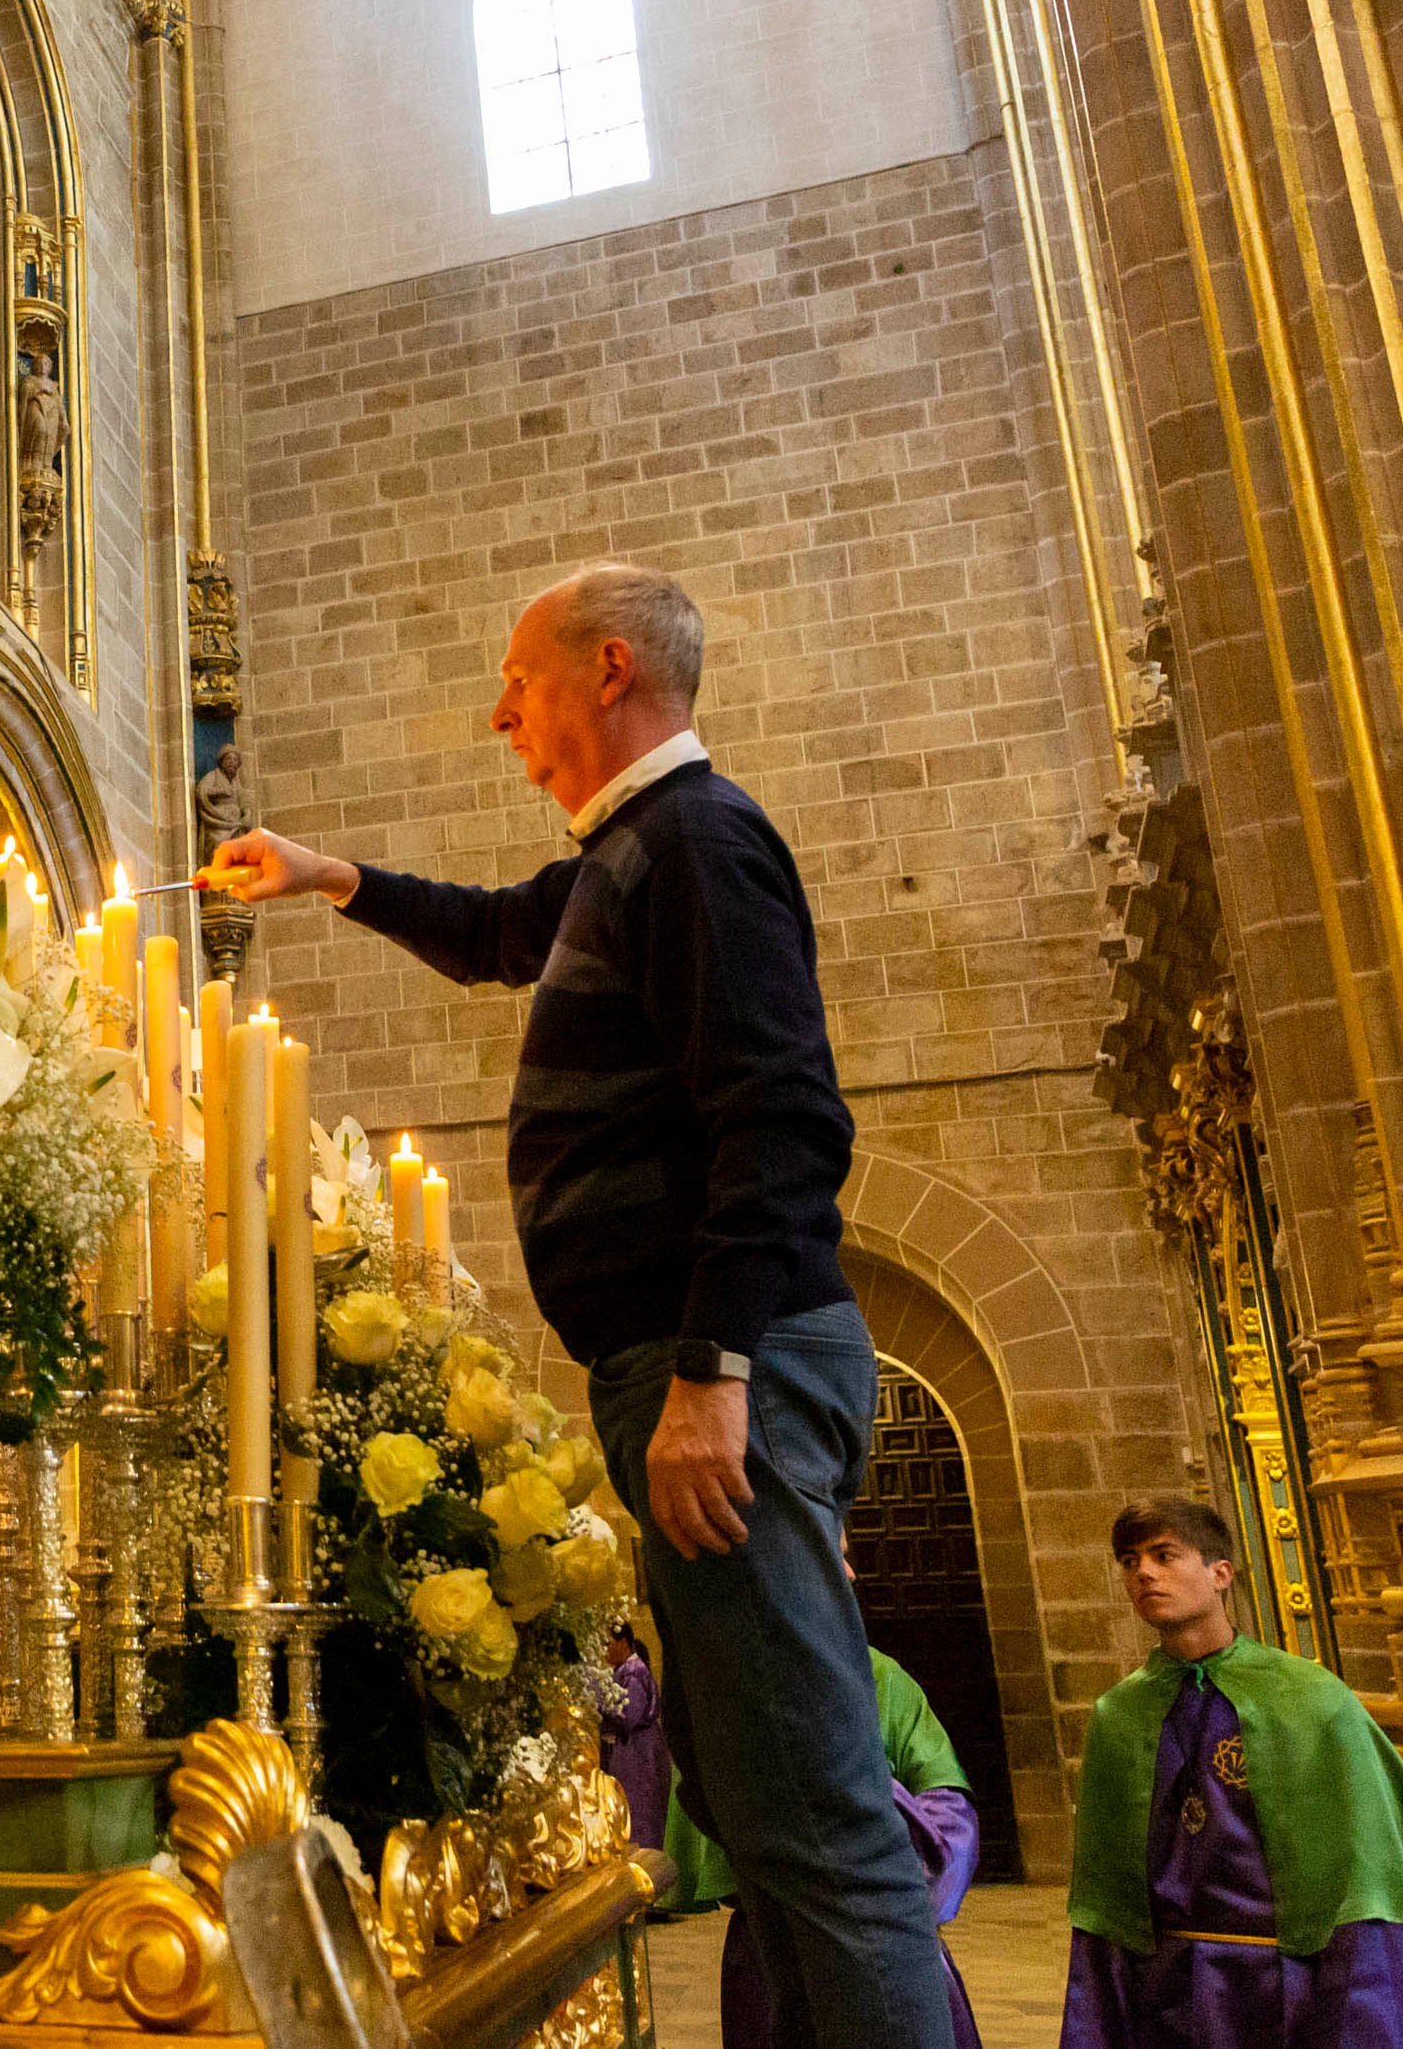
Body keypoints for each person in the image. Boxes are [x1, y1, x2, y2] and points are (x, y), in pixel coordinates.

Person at [211, 561, 952, 2045]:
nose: (501, 716)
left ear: (610, 671)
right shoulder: (628, 857)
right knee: (765, 1820)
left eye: (519, 682)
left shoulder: (697, 841)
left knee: (818, 1824)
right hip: (687, 1364)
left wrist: (710, 1368)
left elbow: (784, 1117)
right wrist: (325, 875)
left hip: (721, 1367)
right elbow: (499, 929)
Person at [1064, 1496, 1403, 2048]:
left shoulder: (1311, 1699)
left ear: (1220, 1573)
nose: (1144, 1573)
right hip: (1166, 1989)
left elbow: (1361, 1879)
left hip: (1290, 1978)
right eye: (1130, 1561)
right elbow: (1107, 1899)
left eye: (1164, 1555)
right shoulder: (1118, 1715)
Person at [666, 1644, 984, 2047]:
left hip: (891, 1944)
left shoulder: (881, 1675)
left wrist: (895, 1876)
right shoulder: (721, 1693)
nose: (850, 1576)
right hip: (773, 1954)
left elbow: (951, 1812)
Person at [600, 1621, 666, 1849]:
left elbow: (629, 1715)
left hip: (638, 1750)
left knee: (639, 1809)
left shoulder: (634, 1672)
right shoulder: (624, 1672)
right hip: (634, 1748)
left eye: (608, 1644)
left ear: (624, 1643)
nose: (604, 1650)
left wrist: (600, 1702)